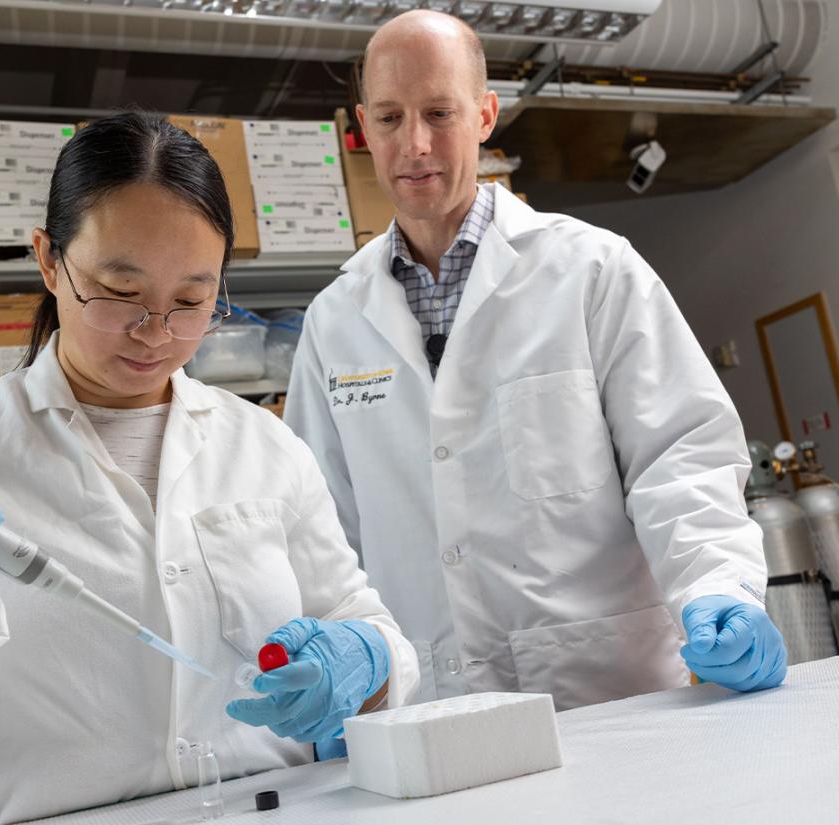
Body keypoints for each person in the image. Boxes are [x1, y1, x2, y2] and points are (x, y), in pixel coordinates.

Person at [0, 112, 419, 825]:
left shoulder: (264, 444)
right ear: (49, 261)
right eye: (121, 292)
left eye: (191, 302)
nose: (156, 333)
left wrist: (369, 661)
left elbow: (365, 624)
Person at [284, 11, 786, 710]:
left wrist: (717, 585)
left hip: (608, 690)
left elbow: (680, 456)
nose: (416, 144)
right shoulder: (335, 321)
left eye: (439, 112)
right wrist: (342, 650)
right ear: (364, 126)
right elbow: (319, 523)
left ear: (486, 115)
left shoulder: (591, 269)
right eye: (392, 118)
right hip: (433, 706)